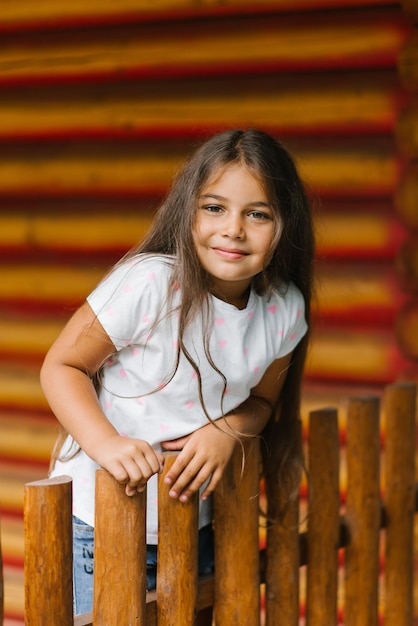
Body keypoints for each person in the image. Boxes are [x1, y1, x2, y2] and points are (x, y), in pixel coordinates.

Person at [40, 128, 315, 616]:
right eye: (214, 208)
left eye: (258, 214)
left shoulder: (282, 311)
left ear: (285, 226)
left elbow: (263, 403)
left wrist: (227, 429)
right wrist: (107, 445)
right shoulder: (151, 283)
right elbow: (62, 366)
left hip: (195, 524)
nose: (233, 229)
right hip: (97, 525)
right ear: (187, 212)